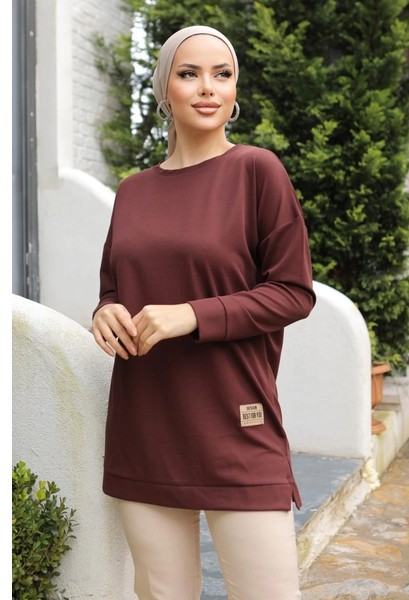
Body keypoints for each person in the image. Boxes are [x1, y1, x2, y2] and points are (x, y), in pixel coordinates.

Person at [92, 24, 316, 600]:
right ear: (164, 89)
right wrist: (106, 312)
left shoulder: (257, 171)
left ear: (235, 89)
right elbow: (114, 288)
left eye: (223, 74)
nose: (207, 87)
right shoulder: (133, 191)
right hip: (145, 423)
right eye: (189, 73)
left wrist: (191, 315)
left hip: (236, 421)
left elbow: (294, 291)